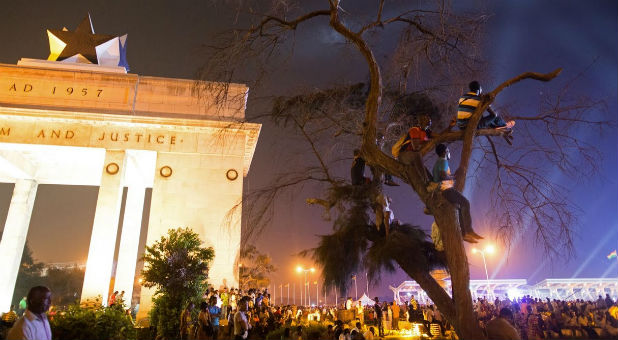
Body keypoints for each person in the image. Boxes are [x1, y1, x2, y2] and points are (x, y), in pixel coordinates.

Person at [431, 143, 483, 243]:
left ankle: (464, 234)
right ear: (445, 152)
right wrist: (454, 176)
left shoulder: (439, 162)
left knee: (459, 208)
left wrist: (453, 176)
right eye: (448, 151)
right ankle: (469, 230)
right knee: (466, 203)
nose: (449, 153)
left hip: (442, 190)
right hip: (446, 190)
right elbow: (443, 176)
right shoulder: (443, 161)